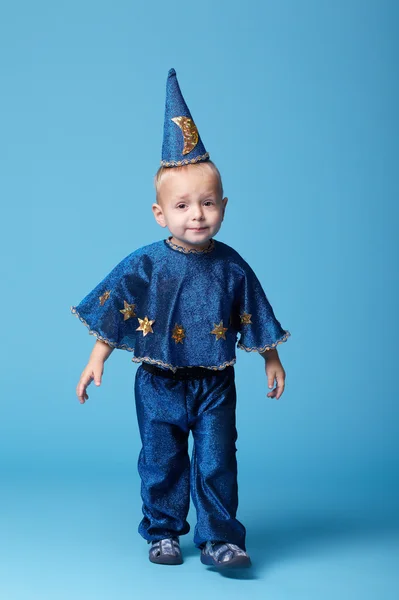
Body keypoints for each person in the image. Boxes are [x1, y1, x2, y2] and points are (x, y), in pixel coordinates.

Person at [71, 68, 291, 569]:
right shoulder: (146, 263)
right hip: (159, 382)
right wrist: (95, 360)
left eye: (208, 203)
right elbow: (116, 308)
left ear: (224, 206)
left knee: (217, 461)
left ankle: (220, 539)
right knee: (161, 459)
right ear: (159, 212)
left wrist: (270, 359)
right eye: (183, 205)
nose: (197, 214)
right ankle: (164, 531)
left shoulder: (231, 264)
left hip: (215, 381)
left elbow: (252, 309)